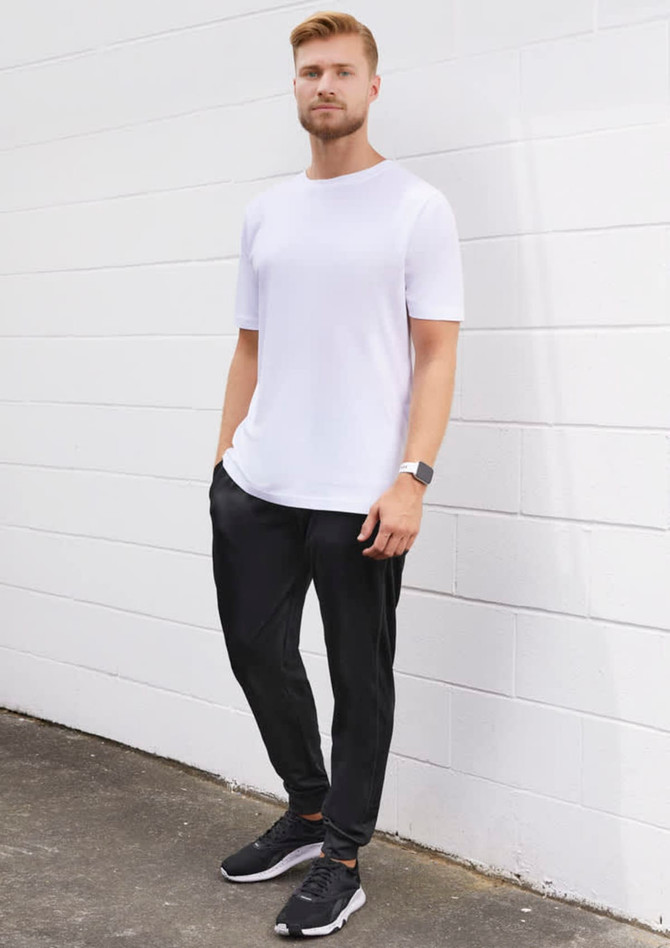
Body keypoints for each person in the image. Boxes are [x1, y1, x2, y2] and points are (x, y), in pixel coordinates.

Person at [208, 10, 464, 939]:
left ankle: (344, 857)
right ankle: (308, 814)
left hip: (362, 496)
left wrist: (414, 476)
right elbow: (249, 344)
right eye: (311, 70)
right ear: (296, 86)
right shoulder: (267, 211)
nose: (326, 84)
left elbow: (436, 353)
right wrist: (224, 458)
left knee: (361, 677)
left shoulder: (416, 208)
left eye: (342, 71)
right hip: (259, 486)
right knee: (256, 653)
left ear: (372, 86)